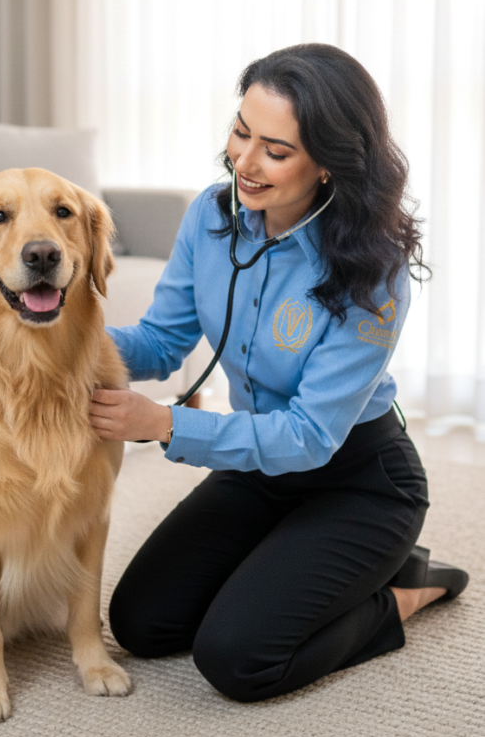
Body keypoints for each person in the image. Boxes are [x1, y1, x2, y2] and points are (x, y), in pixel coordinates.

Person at [90, 42, 468, 703]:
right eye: (240, 132)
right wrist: (61, 340)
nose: (244, 160)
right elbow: (158, 342)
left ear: (329, 163)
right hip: (260, 471)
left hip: (359, 481)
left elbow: (308, 437)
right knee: (141, 624)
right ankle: (292, 559)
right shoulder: (210, 216)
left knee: (238, 658)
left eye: (275, 149)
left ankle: (402, 593)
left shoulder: (372, 272)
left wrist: (162, 424)